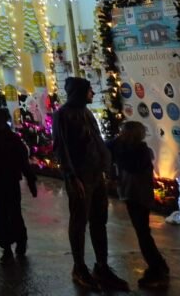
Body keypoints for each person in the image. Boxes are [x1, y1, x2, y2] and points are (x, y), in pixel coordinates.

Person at [53, 76, 129, 292]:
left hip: (96, 175)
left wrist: (107, 165)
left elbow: (95, 140)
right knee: (79, 222)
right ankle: (79, 267)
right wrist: (71, 176)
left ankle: (102, 266)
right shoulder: (63, 115)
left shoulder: (86, 113)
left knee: (99, 220)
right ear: (79, 92)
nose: (93, 94)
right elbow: (61, 148)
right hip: (81, 177)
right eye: (89, 91)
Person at [110, 121, 170, 289]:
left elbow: (128, 164)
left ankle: (157, 268)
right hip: (137, 196)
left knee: (143, 234)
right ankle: (158, 264)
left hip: (137, 197)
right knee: (143, 233)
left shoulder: (132, 152)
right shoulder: (138, 150)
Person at [0, 107, 37, 264]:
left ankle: (14, 244)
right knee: (5, 214)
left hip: (3, 181)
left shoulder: (0, 137)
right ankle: (11, 245)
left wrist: (30, 179)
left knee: (7, 213)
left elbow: (22, 161)